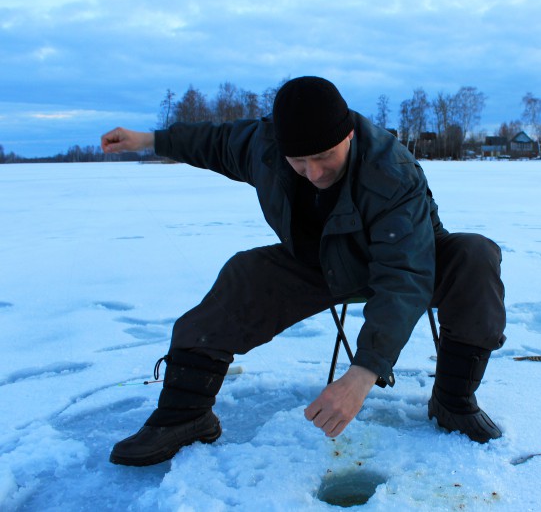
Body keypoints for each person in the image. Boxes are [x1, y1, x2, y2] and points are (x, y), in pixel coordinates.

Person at [101, 76, 506, 467]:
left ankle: (453, 402)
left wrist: (363, 373)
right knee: (244, 274)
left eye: (324, 156)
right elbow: (213, 141)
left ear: (347, 136)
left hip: (414, 259)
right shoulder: (264, 145)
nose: (313, 173)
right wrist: (147, 140)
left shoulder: (391, 172)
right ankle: (184, 415)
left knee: (475, 255)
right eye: (299, 161)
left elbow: (405, 275)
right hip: (319, 262)